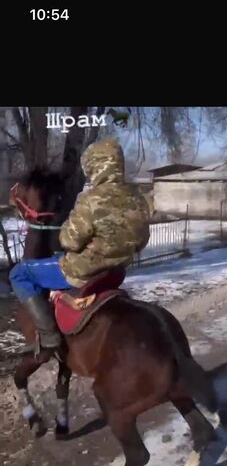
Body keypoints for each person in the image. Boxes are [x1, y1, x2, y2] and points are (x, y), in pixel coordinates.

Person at [9, 139, 150, 352]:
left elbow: (69, 241)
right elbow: (142, 240)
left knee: (19, 273)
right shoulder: (138, 199)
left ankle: (48, 336)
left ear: (94, 166)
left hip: (82, 271)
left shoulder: (91, 199)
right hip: (115, 272)